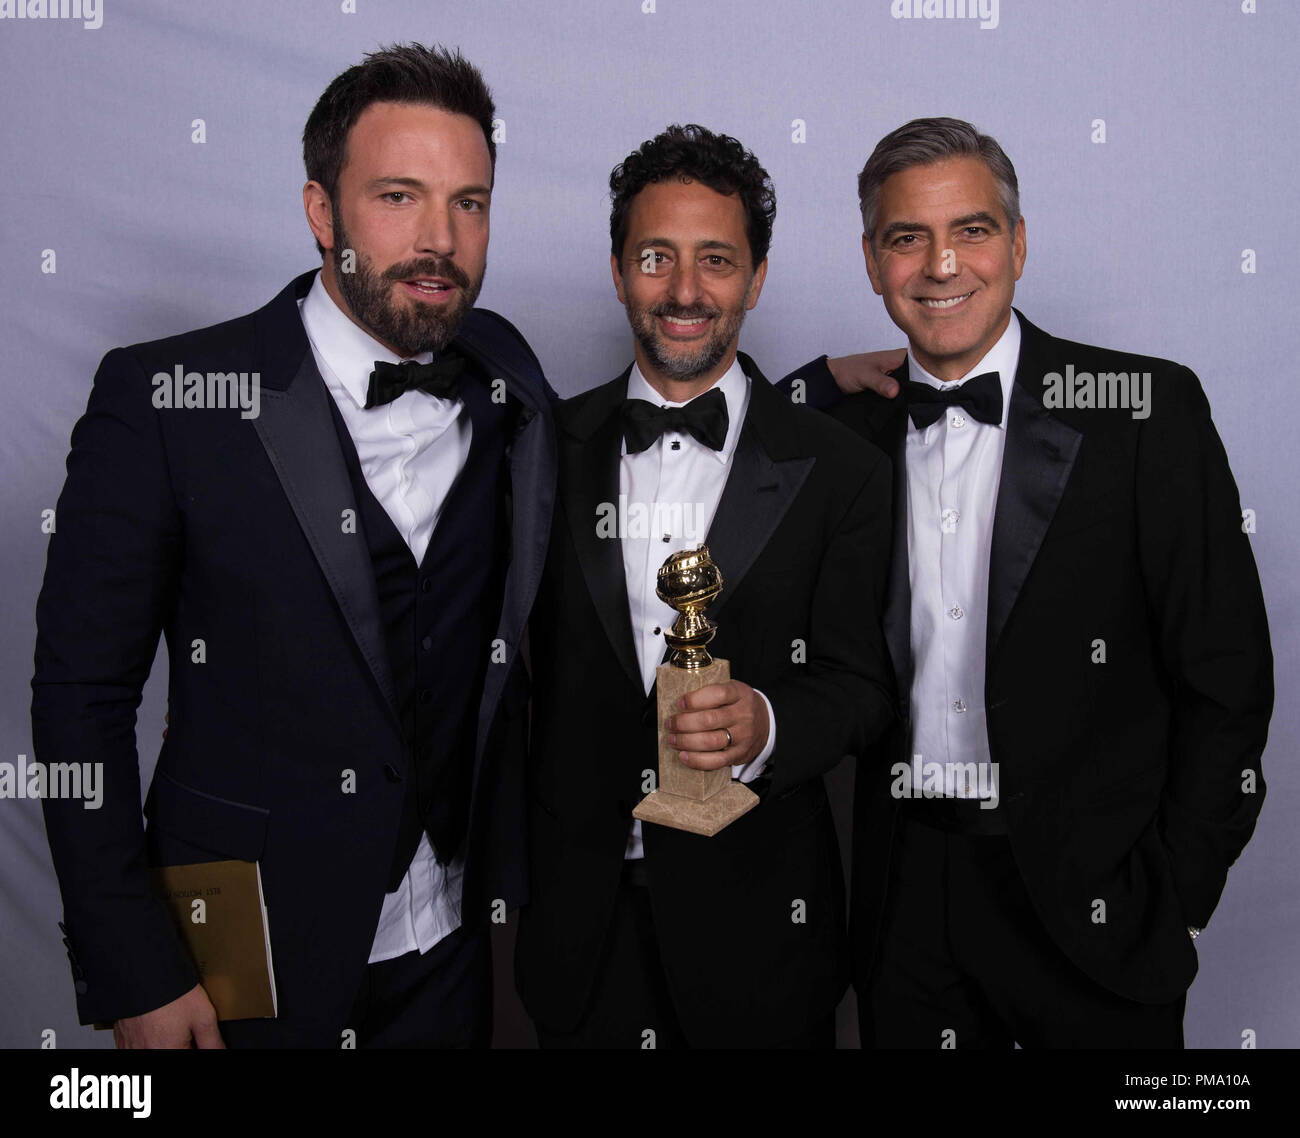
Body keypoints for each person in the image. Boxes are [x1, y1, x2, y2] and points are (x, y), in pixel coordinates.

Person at [32, 43, 555, 1048]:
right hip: (236, 958)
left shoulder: (506, 371)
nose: (439, 239)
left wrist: (823, 395)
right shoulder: (166, 402)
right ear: (322, 211)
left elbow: (626, 430)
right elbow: (78, 700)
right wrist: (134, 966)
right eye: (398, 196)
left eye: (470, 203)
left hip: (447, 948)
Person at [782, 117, 1273, 1047]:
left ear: (1016, 242)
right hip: (907, 900)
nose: (941, 266)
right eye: (905, 238)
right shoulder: (841, 432)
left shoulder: (1145, 412)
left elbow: (1228, 679)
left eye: (971, 230)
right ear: (871, 259)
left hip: (1098, 901)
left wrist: (1178, 898)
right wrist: (807, 384)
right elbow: (707, 428)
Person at [514, 124, 895, 1048]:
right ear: (617, 270)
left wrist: (769, 723)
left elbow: (864, 690)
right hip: (578, 937)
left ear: (757, 279)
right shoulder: (534, 449)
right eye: (656, 258)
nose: (685, 292)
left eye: (716, 260)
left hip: (764, 938)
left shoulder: (841, 470)